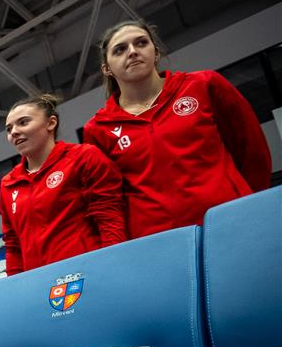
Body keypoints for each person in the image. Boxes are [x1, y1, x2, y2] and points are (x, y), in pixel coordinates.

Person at [82, 19, 272, 238]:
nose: (132, 52)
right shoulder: (97, 129)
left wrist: (252, 205)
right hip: (161, 242)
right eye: (120, 49)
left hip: (232, 222)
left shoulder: (203, 84)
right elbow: (109, 200)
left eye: (141, 43)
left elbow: (251, 149)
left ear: (156, 53)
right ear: (106, 68)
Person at [0, 93, 127, 273]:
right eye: (8, 129)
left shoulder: (84, 157)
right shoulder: (8, 183)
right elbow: (13, 244)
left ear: (51, 123)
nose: (14, 132)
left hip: (87, 273)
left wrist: (113, 265)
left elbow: (109, 217)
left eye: (23, 122)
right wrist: (16, 284)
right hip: (39, 282)